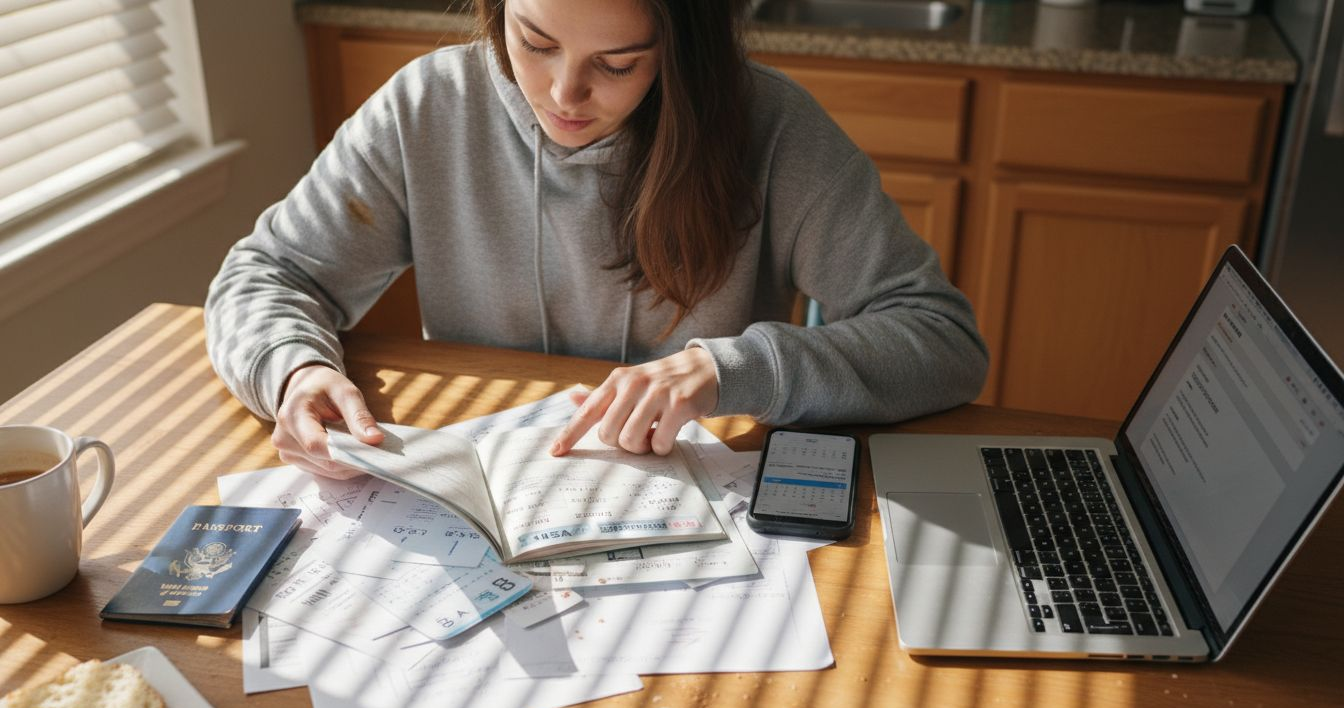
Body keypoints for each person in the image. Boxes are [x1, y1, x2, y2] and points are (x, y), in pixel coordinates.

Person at [204, 0, 988, 480]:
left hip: (703, 514)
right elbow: (268, 274)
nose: (563, 93)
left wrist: (730, 368)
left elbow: (942, 339)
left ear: (681, 55)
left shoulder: (773, 129)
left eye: (615, 65)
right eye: (535, 42)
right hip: (490, 489)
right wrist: (293, 369)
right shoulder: (427, 105)